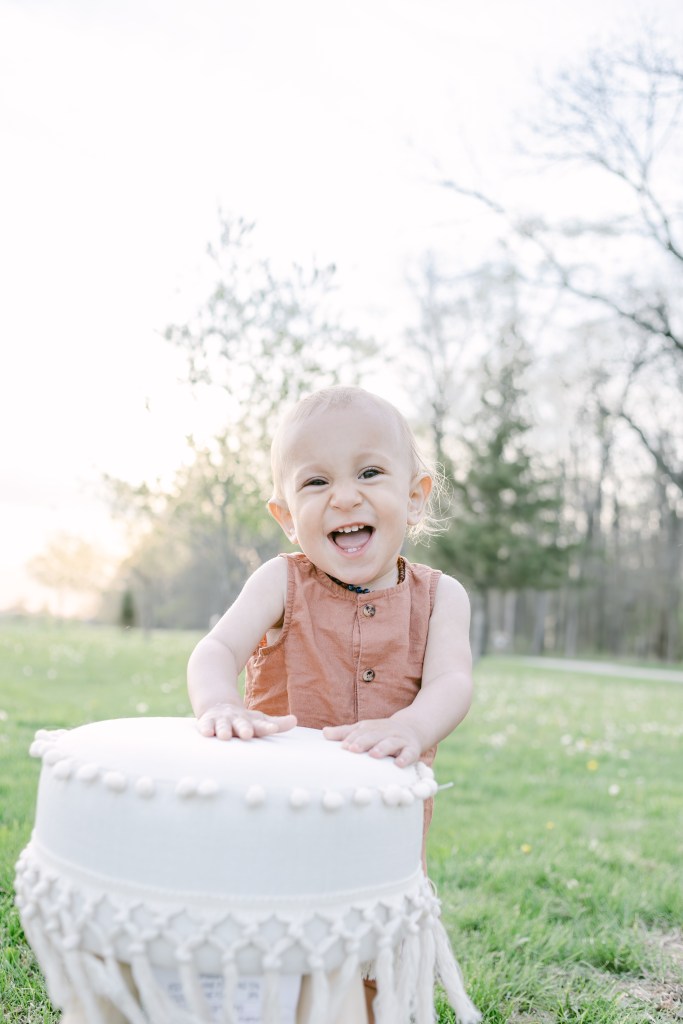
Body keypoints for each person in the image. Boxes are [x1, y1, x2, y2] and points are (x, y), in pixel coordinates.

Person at [187, 385, 475, 1022]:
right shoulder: (279, 581)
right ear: (287, 513)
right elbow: (214, 650)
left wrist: (411, 724)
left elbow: (453, 682)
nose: (345, 495)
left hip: (382, 828)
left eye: (370, 472)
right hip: (275, 819)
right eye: (316, 482)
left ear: (415, 494)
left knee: (374, 965)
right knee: (267, 965)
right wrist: (219, 704)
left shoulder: (441, 597)